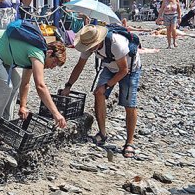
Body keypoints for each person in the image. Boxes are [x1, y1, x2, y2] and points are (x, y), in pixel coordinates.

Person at [0, 28, 68, 144]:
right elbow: (40, 86)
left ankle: (5, 126)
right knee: (4, 87)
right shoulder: (38, 53)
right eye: (54, 62)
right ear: (49, 53)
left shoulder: (36, 53)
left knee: (15, 81)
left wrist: (22, 106)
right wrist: (56, 114)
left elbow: (25, 83)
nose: (53, 67)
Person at [61, 25, 142, 158]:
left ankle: (129, 142)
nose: (88, 49)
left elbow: (124, 70)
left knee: (129, 104)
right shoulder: (87, 45)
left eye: (91, 46)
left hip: (130, 69)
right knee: (98, 94)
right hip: (110, 67)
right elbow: (79, 66)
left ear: (97, 41)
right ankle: (102, 133)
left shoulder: (116, 44)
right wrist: (68, 85)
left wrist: (107, 85)